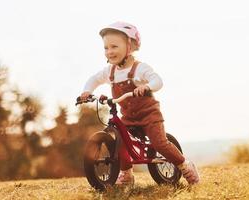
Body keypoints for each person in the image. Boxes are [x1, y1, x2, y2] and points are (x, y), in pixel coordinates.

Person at [80, 21, 200, 186]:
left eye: (114, 46)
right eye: (106, 48)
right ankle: (126, 173)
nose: (109, 51)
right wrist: (87, 91)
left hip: (149, 116)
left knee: (159, 143)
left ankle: (184, 165)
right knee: (119, 140)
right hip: (128, 117)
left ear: (130, 46)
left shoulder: (139, 69)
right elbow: (94, 79)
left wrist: (147, 86)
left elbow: (157, 80)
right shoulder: (110, 71)